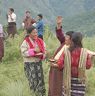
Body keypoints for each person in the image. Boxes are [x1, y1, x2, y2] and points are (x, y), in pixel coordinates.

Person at [20, 26, 46, 96]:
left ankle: (41, 94)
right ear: (29, 34)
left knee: (40, 79)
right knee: (33, 80)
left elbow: (44, 50)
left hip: (38, 63)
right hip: (30, 64)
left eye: (36, 32)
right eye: (33, 33)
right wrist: (33, 51)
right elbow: (23, 52)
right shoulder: (25, 42)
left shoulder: (40, 41)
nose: (35, 34)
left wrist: (43, 54)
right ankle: (34, 94)